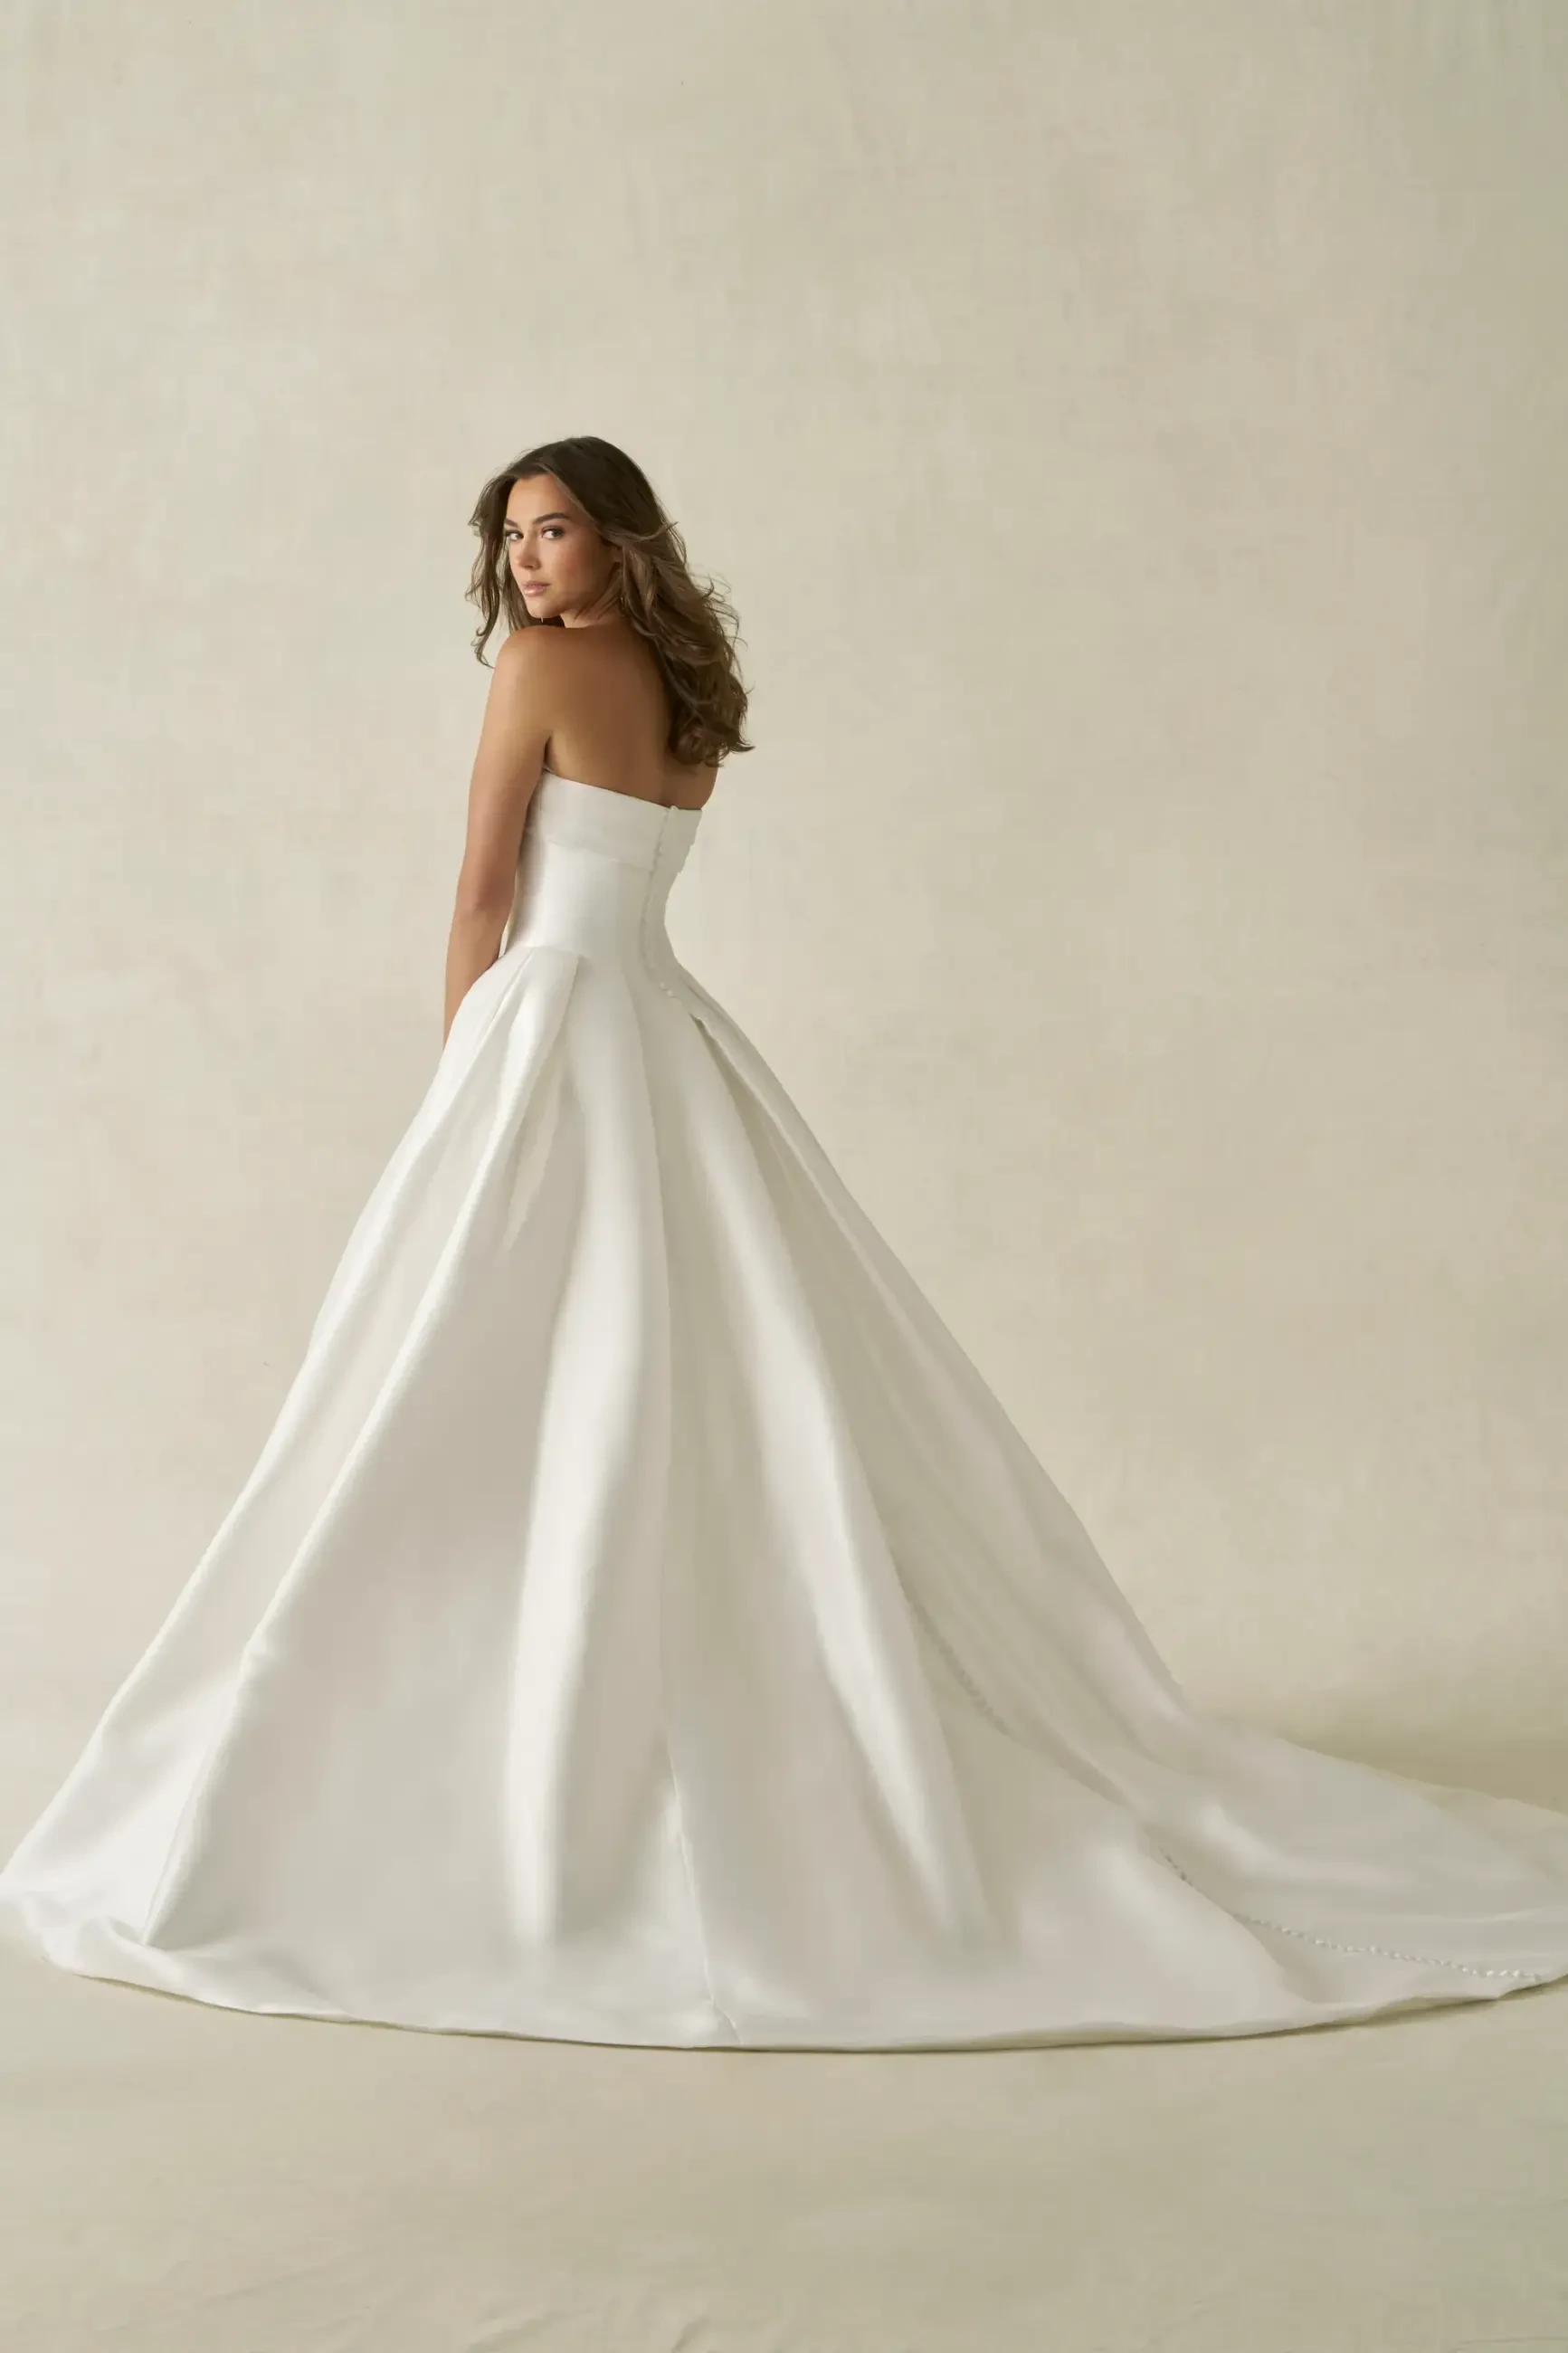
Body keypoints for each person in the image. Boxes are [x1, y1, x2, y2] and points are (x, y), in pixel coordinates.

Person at [3, 433, 1567, 2053]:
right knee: (693, 1394)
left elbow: (480, 895)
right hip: (662, 1038)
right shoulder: (693, 688)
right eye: (514, 538)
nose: (526, 565)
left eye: (553, 531)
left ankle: (503, 1755)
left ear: (617, 539)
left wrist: (456, 1084)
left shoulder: (541, 667)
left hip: (546, 1029)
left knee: (480, 1391)